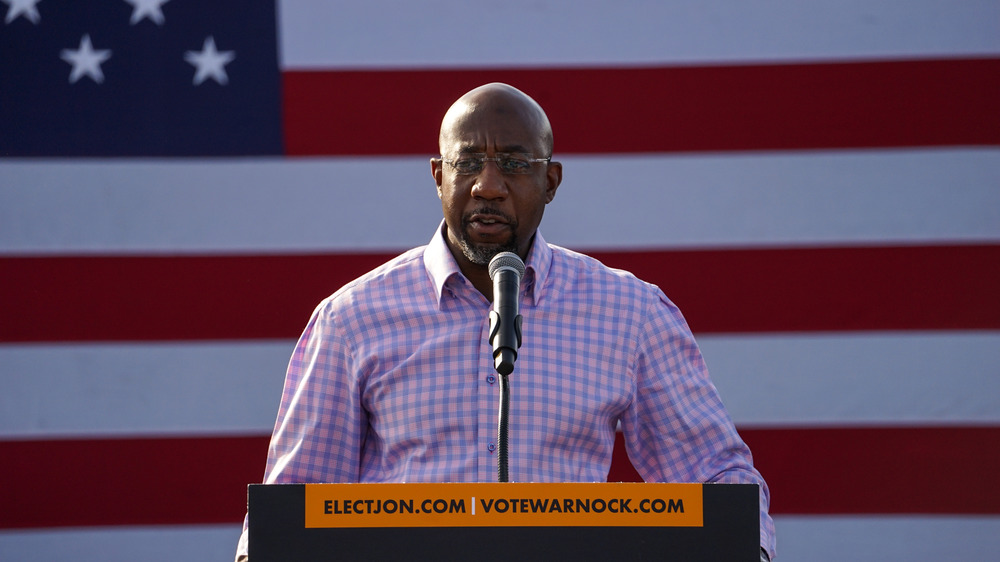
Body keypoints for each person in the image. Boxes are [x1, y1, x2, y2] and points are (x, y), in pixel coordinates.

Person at [235, 83, 776, 561]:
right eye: (467, 162)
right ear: (438, 175)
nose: (487, 186)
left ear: (551, 180)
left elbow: (716, 477)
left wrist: (747, 545)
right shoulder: (352, 319)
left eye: (515, 164)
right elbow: (295, 504)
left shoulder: (629, 313)